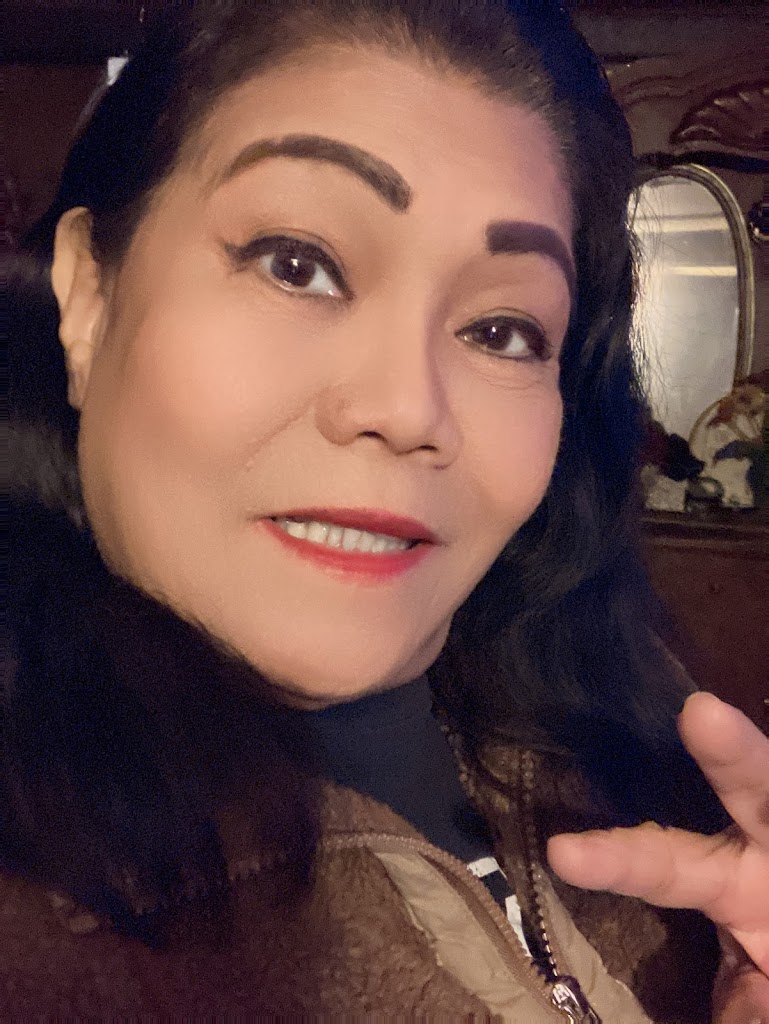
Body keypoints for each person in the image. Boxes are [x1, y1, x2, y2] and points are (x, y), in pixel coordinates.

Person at [5, 0, 768, 1019]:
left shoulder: (626, 727)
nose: (409, 408)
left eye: (501, 330)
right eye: (296, 265)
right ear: (88, 295)